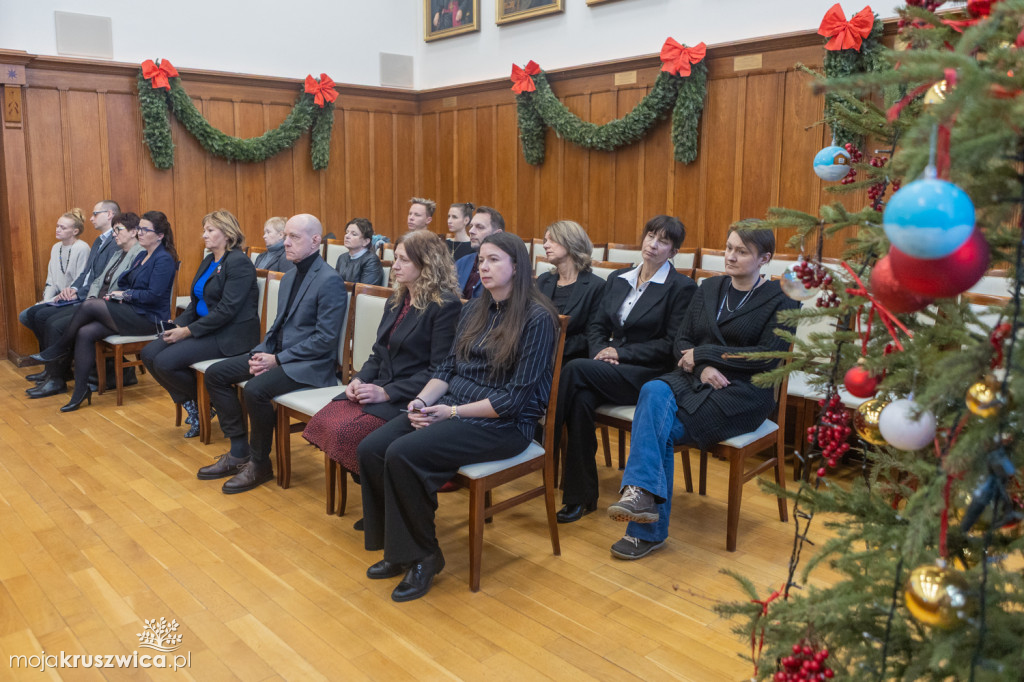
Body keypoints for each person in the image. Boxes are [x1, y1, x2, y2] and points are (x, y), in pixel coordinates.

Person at [357, 231, 558, 602]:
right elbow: (446, 369)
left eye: (494, 259)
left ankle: (425, 556)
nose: (484, 267)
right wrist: (419, 403)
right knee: (372, 448)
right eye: (481, 260)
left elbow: (514, 400)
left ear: (517, 266)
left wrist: (449, 411)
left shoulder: (537, 318)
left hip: (503, 424)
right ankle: (399, 548)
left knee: (403, 453)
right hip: (452, 407)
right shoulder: (473, 309)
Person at [606, 224, 798, 559]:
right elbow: (681, 341)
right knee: (653, 389)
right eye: (729, 248)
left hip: (741, 393)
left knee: (659, 428)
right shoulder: (709, 287)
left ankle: (643, 525)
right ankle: (641, 500)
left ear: (764, 258)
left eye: (741, 252)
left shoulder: (782, 299)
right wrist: (702, 367)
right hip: (695, 380)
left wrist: (704, 354)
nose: (730, 256)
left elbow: (767, 357)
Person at [554, 215, 696, 523]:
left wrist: (619, 352)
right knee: (580, 399)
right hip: (608, 368)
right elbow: (596, 326)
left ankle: (545, 446)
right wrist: (600, 353)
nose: (653, 244)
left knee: (574, 370)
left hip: (648, 374)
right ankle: (580, 497)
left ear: (673, 252)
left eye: (663, 242)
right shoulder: (619, 278)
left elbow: (670, 345)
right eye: (650, 236)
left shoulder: (681, 287)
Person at [196, 214, 346, 494]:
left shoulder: (329, 281)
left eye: (294, 237)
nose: (286, 242)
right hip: (278, 356)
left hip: (309, 366)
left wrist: (277, 360)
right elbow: (277, 327)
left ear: (315, 240)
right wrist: (261, 353)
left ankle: (260, 463)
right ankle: (239, 451)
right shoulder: (289, 278)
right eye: (285, 236)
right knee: (216, 374)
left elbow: (325, 340)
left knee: (255, 390)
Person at [303, 230, 461, 483]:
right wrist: (360, 379)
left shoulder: (445, 305)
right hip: (381, 386)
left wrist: (387, 393)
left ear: (427, 264)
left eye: (403, 260)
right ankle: (374, 487)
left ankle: (382, 493)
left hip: (413, 395)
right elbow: (379, 352)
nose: (394, 266)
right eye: (396, 258)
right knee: (326, 422)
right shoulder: (398, 299)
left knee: (349, 434)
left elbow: (439, 370)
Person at [30, 211, 178, 412]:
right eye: (139, 229)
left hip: (149, 318)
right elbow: (126, 280)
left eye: (145, 230)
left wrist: (125, 295)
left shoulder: (164, 259)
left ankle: (60, 347)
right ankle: (81, 391)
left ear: (159, 235)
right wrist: (119, 293)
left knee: (90, 305)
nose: (140, 233)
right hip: (132, 310)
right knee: (85, 332)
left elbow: (153, 296)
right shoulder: (143, 255)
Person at [141, 210, 260, 438]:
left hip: (229, 335)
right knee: (149, 353)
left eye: (210, 230)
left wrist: (187, 332)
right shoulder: (208, 260)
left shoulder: (238, 263)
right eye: (204, 230)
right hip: (205, 328)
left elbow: (227, 310)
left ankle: (205, 402)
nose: (203, 235)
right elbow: (196, 304)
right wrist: (177, 325)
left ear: (227, 233)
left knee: (165, 362)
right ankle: (197, 404)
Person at [26, 212, 143, 399]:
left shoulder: (139, 254)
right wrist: (92, 298)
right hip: (96, 304)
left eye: (118, 230)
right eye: (113, 230)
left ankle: (57, 376)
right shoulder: (118, 253)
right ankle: (59, 376)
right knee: (48, 319)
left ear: (133, 232)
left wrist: (94, 302)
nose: (114, 234)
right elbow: (97, 281)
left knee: (56, 325)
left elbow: (127, 288)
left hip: (114, 308)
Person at [19, 200, 120, 357]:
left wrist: (75, 293)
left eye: (95, 214)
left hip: (88, 299)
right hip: (73, 295)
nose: (91, 218)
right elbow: (83, 274)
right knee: (31, 314)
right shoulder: (98, 240)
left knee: (48, 320)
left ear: (109, 214)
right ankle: (51, 361)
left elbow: (99, 279)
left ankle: (57, 364)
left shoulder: (98, 245)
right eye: (57, 226)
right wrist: (53, 297)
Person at [536, 220, 604, 363]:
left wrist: (555, 348)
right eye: (545, 240)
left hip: (571, 360)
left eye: (552, 240)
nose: (545, 245)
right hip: (537, 354)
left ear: (570, 242)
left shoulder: (596, 286)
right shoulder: (543, 280)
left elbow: (591, 335)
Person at [455, 206, 504, 299]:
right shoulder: (461, 263)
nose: (471, 231)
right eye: (471, 226)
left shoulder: (504, 266)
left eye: (480, 227)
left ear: (497, 234)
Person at [335, 218, 385, 286]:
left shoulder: (371, 261)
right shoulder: (342, 258)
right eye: (347, 232)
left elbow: (365, 290)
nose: (347, 236)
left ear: (366, 241)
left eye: (354, 234)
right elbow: (335, 283)